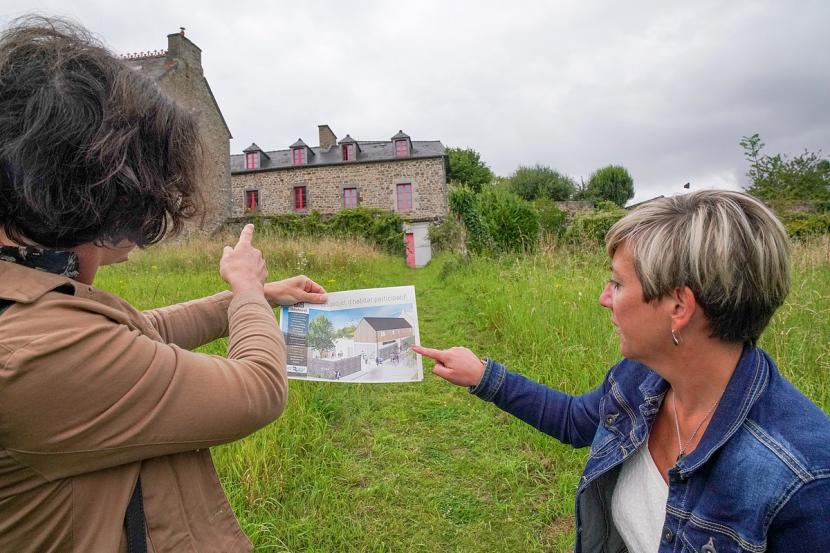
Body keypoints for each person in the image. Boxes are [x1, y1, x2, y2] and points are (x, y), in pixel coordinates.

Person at [0, 17, 326, 552]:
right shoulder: (34, 353)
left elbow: (136, 337)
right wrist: (245, 289)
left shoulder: (26, 292)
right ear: (92, 188)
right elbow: (258, 390)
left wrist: (253, 300)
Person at [415, 190, 830, 552]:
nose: (603, 298)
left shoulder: (804, 481)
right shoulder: (642, 377)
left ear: (679, 307)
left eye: (617, 284)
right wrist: (483, 376)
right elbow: (576, 421)